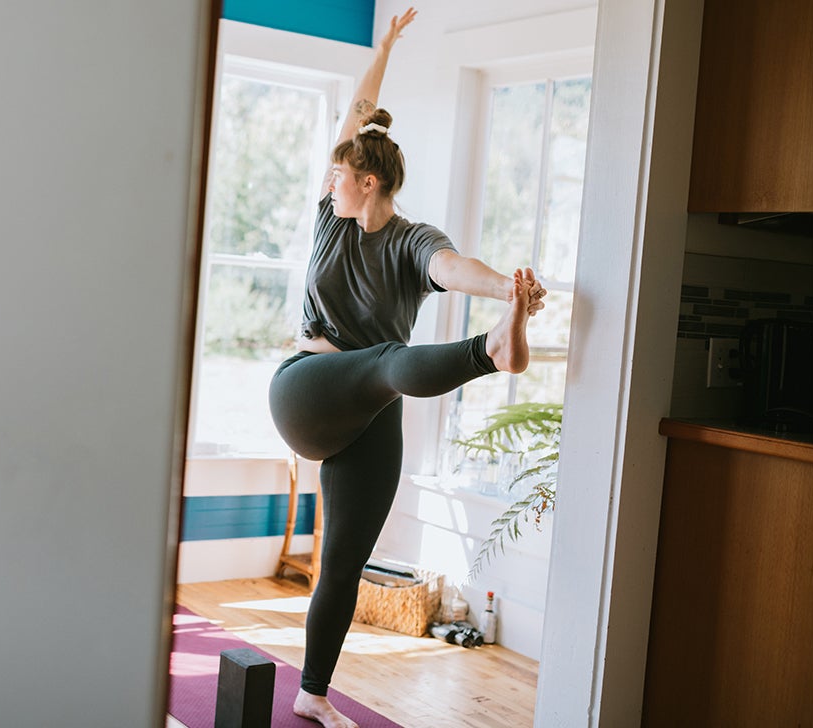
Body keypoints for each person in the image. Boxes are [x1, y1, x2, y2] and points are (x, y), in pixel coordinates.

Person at [266, 8, 547, 728]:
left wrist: (509, 289)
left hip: (372, 414)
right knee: (387, 361)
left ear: (367, 182)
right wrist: (385, 46)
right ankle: (491, 352)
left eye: (341, 177)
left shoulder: (413, 240)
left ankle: (313, 694)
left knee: (343, 564)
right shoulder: (332, 216)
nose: (329, 184)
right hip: (306, 391)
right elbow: (360, 107)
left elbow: (452, 268)